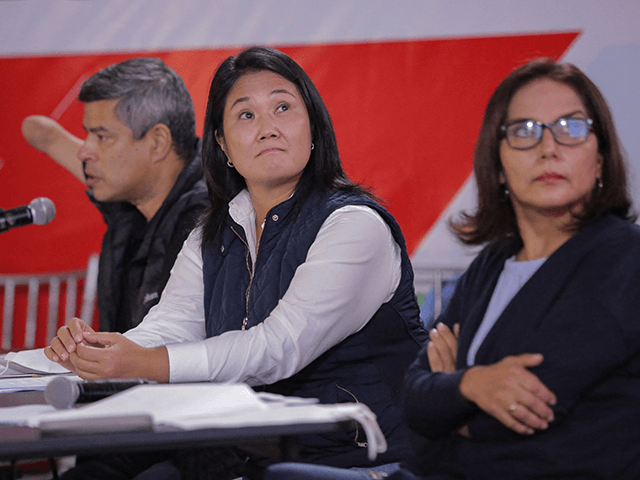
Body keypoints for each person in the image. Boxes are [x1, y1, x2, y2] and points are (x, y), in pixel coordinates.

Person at [45, 46, 428, 479]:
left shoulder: (355, 225)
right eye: (246, 115)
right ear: (223, 145)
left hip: (363, 459)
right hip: (255, 453)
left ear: (314, 127)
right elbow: (170, 325)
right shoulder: (211, 231)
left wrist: (142, 363)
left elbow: (278, 347)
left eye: (283, 107)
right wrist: (97, 350)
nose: (268, 128)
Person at [259, 58, 640, 480]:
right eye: (524, 131)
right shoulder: (493, 265)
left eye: (571, 128)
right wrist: (471, 386)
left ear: (601, 156)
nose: (549, 147)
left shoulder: (622, 259)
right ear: (496, 166)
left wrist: (450, 400)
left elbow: (529, 410)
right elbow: (414, 397)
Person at [22, 57, 209, 334]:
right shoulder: (132, 197)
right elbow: (38, 130)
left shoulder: (210, 223)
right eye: (87, 136)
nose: (85, 152)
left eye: (102, 137)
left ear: (157, 143)